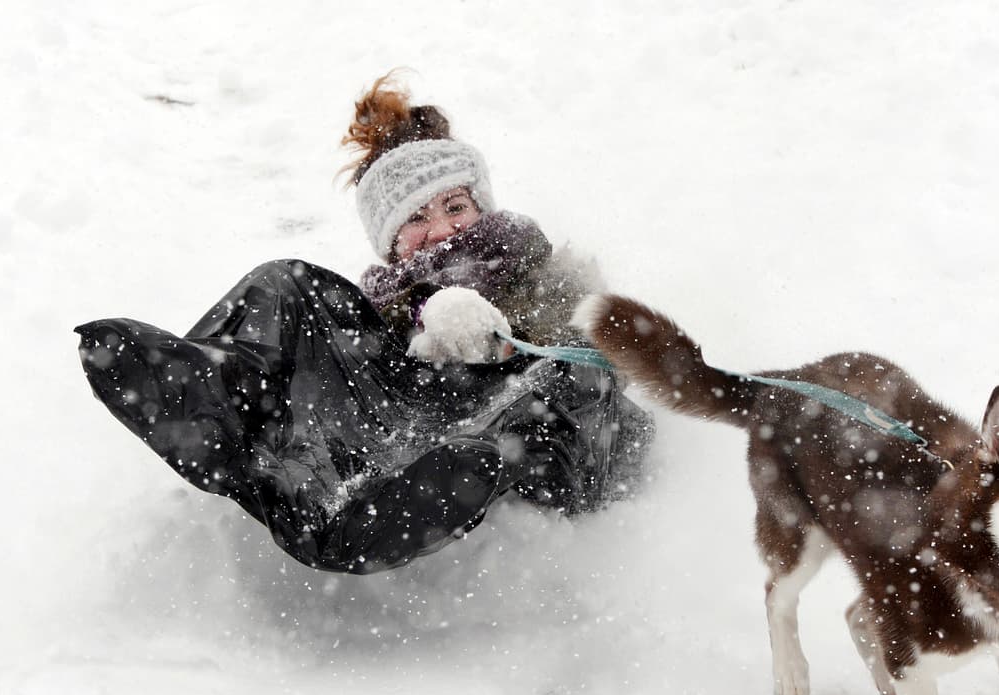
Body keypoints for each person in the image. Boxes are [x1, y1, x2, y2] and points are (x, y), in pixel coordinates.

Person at [75, 72, 651, 575]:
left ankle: (443, 479)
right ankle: (218, 393)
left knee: (569, 377)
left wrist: (502, 342)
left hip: (551, 452)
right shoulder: (380, 314)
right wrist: (424, 330)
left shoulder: (545, 266)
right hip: (419, 440)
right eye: (418, 218)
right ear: (392, 243)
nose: (444, 227)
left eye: (456, 206)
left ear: (483, 207)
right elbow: (369, 370)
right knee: (289, 280)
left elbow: (603, 351)